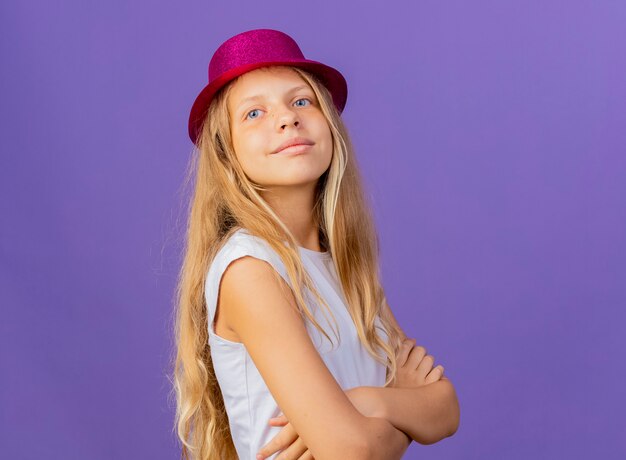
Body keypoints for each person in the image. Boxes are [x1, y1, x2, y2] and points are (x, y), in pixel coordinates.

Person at [172, 28, 459, 460]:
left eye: (301, 101)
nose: (287, 119)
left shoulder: (346, 268)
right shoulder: (250, 269)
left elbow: (445, 410)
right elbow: (353, 451)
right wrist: (400, 414)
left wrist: (366, 402)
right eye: (254, 113)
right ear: (227, 153)